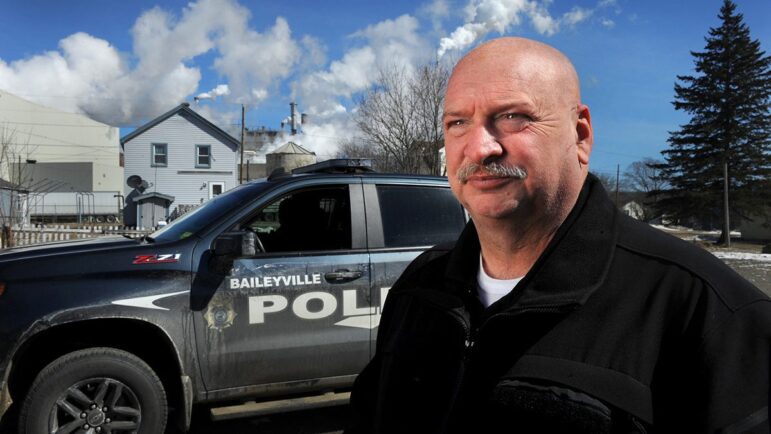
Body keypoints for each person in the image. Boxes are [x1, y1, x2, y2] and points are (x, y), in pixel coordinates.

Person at [347, 37, 771, 433]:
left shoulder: (703, 309)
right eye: (458, 122)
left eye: (513, 117)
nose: (479, 148)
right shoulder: (420, 288)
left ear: (580, 135)